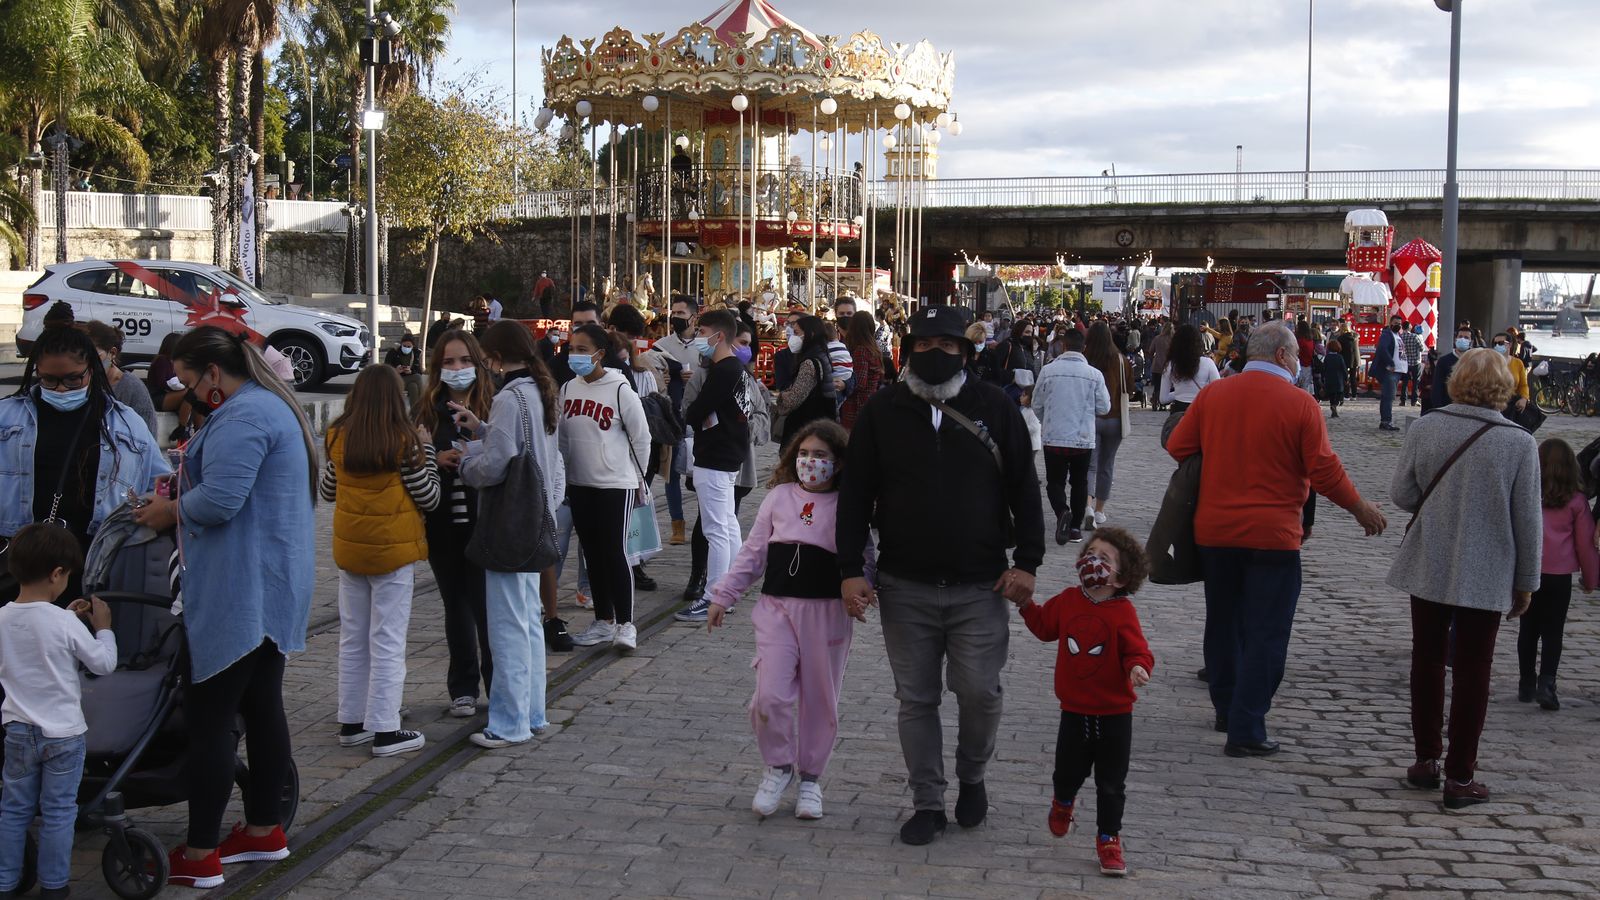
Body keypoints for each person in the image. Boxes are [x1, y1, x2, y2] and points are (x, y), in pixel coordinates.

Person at [837, 304, 1044, 847]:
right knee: (916, 699)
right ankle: (927, 802)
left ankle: (972, 774)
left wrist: (1028, 561)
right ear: (908, 352)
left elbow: (1024, 485)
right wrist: (850, 570)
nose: (935, 354)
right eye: (924, 345)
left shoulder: (994, 406)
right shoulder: (883, 411)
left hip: (980, 583)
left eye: (947, 346)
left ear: (966, 353)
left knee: (980, 692)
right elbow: (855, 494)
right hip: (904, 584)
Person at [129, 326, 317, 888]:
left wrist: (168, 511)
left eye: (188, 381)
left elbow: (221, 500)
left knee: (211, 722)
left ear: (213, 372)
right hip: (269, 587)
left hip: (241, 591)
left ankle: (201, 852)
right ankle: (262, 830)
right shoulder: (265, 407)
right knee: (261, 708)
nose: (186, 394)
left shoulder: (244, 416)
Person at [1167, 323, 1387, 759]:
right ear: (1283, 356)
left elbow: (1177, 445)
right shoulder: (1300, 404)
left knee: (1223, 623)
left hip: (1216, 531)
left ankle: (1227, 709)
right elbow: (1324, 470)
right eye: (1297, 357)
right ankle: (1247, 724)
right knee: (1267, 632)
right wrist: (1360, 508)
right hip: (1273, 535)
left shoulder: (1215, 395)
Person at [1389, 349, 1539, 808]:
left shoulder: (1426, 427)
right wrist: (1527, 581)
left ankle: (1425, 760)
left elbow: (1402, 494)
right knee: (1474, 669)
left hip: (1430, 558)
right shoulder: (1518, 443)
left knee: (1427, 660)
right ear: (1504, 387)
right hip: (1488, 567)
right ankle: (1460, 775)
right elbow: (1527, 521)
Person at [705, 420, 863, 820]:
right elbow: (753, 552)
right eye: (805, 454)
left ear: (838, 462)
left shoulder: (848, 505)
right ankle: (778, 766)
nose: (811, 462)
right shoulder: (778, 498)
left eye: (821, 456)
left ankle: (811, 777)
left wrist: (864, 591)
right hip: (777, 610)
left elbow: (865, 558)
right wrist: (724, 593)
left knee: (820, 699)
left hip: (826, 614)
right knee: (769, 696)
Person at [1015, 528, 1153, 878]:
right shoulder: (1067, 600)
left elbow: (1137, 650)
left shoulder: (1123, 612)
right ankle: (1063, 801)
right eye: (1090, 553)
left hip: (1115, 715)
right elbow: (1045, 627)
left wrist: (1138, 667)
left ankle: (1109, 839)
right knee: (1066, 772)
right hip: (1074, 712)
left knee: (1112, 783)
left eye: (1104, 559)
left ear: (1121, 578)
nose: (1094, 561)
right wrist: (1026, 605)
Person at [451, 322, 563, 749]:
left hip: (510, 523)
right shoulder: (539, 391)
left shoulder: (509, 398)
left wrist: (465, 462)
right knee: (528, 622)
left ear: (495, 357)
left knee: (508, 627)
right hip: (537, 518)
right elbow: (522, 446)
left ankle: (509, 722)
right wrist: (482, 429)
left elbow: (496, 464)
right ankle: (533, 713)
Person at [321, 366, 439, 757]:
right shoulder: (404, 442)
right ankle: (386, 728)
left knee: (353, 638)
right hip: (393, 553)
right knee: (387, 640)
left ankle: (352, 722)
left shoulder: (338, 437)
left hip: (352, 553)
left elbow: (328, 490)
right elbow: (429, 497)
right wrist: (429, 453)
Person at [2, 326, 167, 605]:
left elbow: (159, 482)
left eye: (72, 379)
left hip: (93, 561)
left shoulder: (125, 422)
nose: (60, 388)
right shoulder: (7, 417)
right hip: (18, 562)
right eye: (49, 380)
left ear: (92, 369)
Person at [0, 525, 118, 899]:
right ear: (56, 574)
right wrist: (103, 629)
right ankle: (54, 886)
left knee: (14, 811)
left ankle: (5, 882)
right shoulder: (64, 623)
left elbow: (34, 639)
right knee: (59, 812)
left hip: (18, 731)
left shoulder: (2, 618)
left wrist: (65, 616)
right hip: (63, 736)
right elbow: (103, 664)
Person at [413, 329, 506, 714]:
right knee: (456, 606)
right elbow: (410, 459)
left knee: (488, 609)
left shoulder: (495, 404)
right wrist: (433, 458)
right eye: (449, 362)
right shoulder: (426, 410)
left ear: (478, 363)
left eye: (465, 360)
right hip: (443, 524)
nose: (457, 368)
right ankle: (463, 688)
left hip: (485, 523)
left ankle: (498, 685)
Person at [559, 325, 651, 652]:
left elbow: (641, 437)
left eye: (583, 350)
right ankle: (603, 620)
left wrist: (638, 478)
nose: (575, 355)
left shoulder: (620, 390)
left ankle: (626, 624)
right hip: (580, 483)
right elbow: (563, 438)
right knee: (591, 553)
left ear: (600, 353)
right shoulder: (568, 388)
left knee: (614, 551)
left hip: (615, 483)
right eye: (572, 349)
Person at [677, 320, 770, 622]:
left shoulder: (725, 371)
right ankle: (729, 589)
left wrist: (696, 415)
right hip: (726, 454)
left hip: (716, 455)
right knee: (727, 524)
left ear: (719, 336)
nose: (698, 337)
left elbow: (695, 411)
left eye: (703, 333)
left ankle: (714, 596)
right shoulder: (737, 371)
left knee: (716, 529)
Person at [1519, 438, 1598, 711]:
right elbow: (1585, 545)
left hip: (1529, 571)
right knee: (1553, 632)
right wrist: (1591, 578)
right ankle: (1547, 683)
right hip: (1559, 576)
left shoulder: (1529, 495)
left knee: (1528, 629)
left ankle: (1526, 682)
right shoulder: (1577, 502)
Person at [1034, 327, 1110, 545]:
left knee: (1055, 482)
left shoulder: (1048, 371)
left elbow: (1037, 403)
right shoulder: (1094, 375)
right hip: (1082, 437)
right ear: (1083, 348)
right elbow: (1104, 407)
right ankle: (1075, 527)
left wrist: (1047, 420)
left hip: (1054, 436)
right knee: (1079, 482)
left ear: (1063, 346)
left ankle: (1062, 511)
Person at [655, 296, 700, 545]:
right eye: (674, 313)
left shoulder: (705, 345)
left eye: (681, 313)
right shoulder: (662, 345)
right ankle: (677, 524)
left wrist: (696, 378)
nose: (676, 317)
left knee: (698, 474)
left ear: (693, 317)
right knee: (671, 472)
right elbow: (651, 376)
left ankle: (703, 523)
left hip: (697, 417)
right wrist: (665, 378)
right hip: (671, 416)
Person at [1083, 322, 1133, 531]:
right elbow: (1130, 389)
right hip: (1115, 418)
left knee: (1090, 465)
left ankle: (1087, 506)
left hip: (1091, 417)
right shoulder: (1121, 360)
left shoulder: (1086, 359)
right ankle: (1100, 510)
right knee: (1107, 464)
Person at [83, 321, 158, 437]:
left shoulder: (131, 387)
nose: (87, 363)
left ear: (112, 353)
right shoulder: (78, 384)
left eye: (93, 356)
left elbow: (147, 437)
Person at [774, 315, 838, 447]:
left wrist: (782, 397)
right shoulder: (822, 354)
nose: (793, 337)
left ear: (811, 334)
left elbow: (794, 399)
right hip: (820, 421)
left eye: (797, 333)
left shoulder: (810, 362)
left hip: (806, 426)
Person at [1158, 323, 1219, 447]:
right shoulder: (1208, 363)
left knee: (1181, 450)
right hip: (1201, 412)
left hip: (1178, 413)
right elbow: (1218, 392)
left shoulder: (1170, 365)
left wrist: (1179, 392)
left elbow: (1163, 399)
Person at [839, 311, 884, 430]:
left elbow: (860, 383)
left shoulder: (861, 351)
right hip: (869, 404)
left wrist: (844, 384)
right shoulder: (874, 349)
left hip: (857, 407)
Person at [1428, 323, 1476, 411]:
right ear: (1455, 339)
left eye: (1466, 338)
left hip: (1470, 409)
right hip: (1447, 408)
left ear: (1471, 342)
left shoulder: (1476, 361)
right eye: (1460, 336)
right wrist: (1439, 409)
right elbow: (1437, 387)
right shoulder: (1444, 361)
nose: (1462, 339)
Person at [1372, 313, 1407, 431]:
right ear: (1390, 323)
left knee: (1389, 396)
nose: (1398, 325)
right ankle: (1386, 421)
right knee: (1388, 396)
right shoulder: (1387, 335)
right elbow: (1382, 349)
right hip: (1390, 370)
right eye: (1396, 323)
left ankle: (1386, 420)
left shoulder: (1397, 335)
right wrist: (1390, 363)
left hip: (1397, 370)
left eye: (1400, 324)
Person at [1491, 332, 1531, 416]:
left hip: (1511, 405)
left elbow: (1523, 385)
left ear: (1509, 345)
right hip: (1492, 404)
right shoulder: (1489, 362)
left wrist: (1524, 399)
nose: (1497, 346)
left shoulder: (1518, 363)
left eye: (1501, 343)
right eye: (1495, 343)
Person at [384, 332, 425, 407]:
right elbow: (385, 369)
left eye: (409, 346)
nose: (406, 348)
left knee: (413, 387)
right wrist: (395, 371)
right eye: (404, 346)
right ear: (401, 344)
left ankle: (415, 412)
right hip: (394, 380)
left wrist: (411, 371)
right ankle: (424, 405)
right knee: (418, 377)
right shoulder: (393, 352)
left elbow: (419, 371)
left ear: (413, 346)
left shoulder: (416, 353)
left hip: (408, 380)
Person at [1399, 322, 1424, 405]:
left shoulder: (1400, 337)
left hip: (1405, 362)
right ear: (1409, 327)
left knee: (1405, 382)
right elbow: (1422, 348)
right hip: (1415, 361)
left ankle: (1403, 400)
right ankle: (1414, 400)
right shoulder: (1414, 336)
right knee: (1415, 382)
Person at [1323, 338, 1349, 418]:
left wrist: (1323, 378)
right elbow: (1344, 369)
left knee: (1331, 395)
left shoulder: (1327, 357)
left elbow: (1324, 368)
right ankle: (1335, 405)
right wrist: (1346, 378)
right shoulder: (1339, 357)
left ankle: (1332, 405)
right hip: (1338, 379)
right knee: (1338, 393)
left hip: (1329, 379)